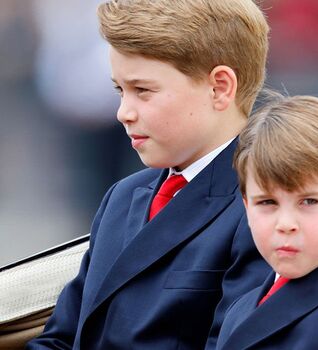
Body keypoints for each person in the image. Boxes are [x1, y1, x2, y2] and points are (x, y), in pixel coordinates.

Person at [27, 0, 271, 349]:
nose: (123, 112)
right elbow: (62, 337)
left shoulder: (263, 207)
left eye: (143, 91)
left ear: (219, 88)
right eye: (119, 90)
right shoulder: (123, 197)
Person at [216, 95, 318, 349]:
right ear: (246, 206)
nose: (285, 223)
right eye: (267, 202)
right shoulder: (239, 309)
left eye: (309, 202)